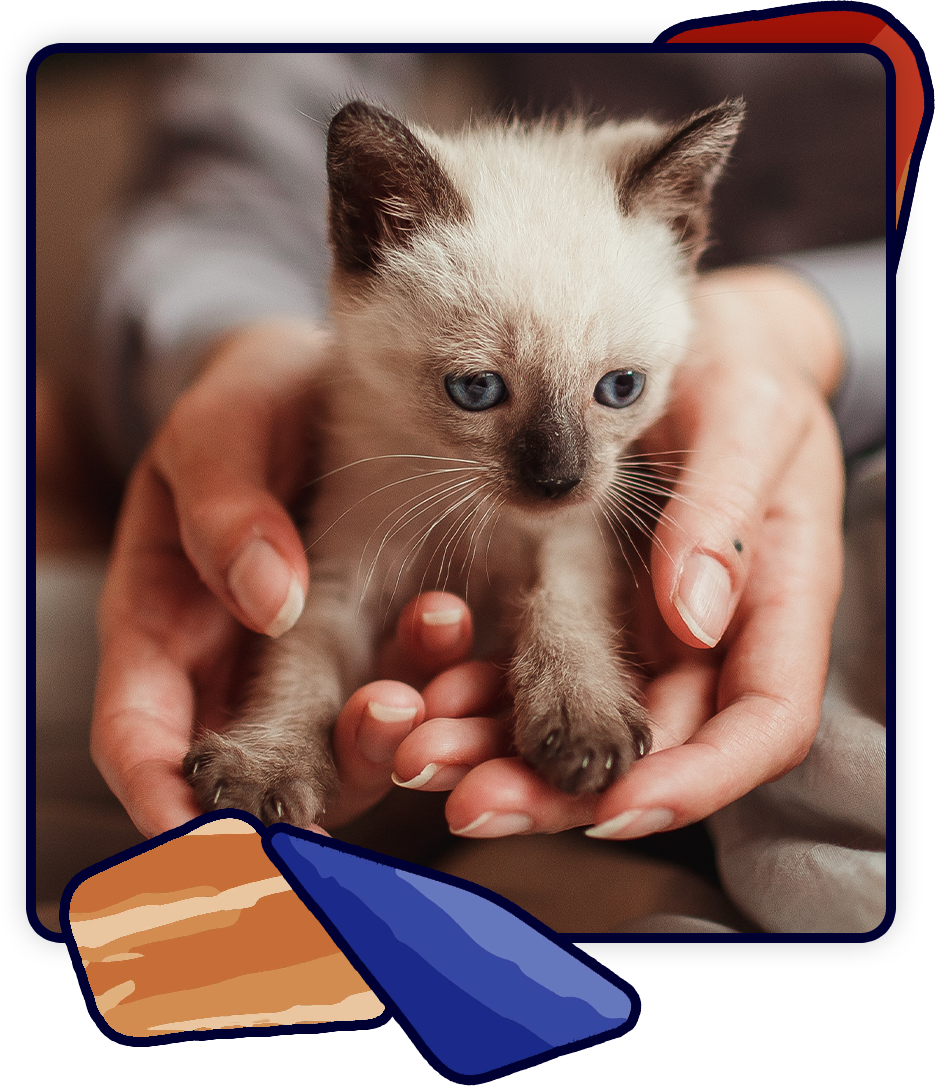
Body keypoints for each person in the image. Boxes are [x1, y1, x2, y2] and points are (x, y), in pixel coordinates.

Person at [69, 53, 886, 932]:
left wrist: (807, 326)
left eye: (618, 391)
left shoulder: (634, 297)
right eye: (475, 388)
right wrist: (222, 353)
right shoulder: (370, 404)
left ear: (684, 227)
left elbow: (566, 555)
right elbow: (335, 592)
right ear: (369, 239)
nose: (560, 468)